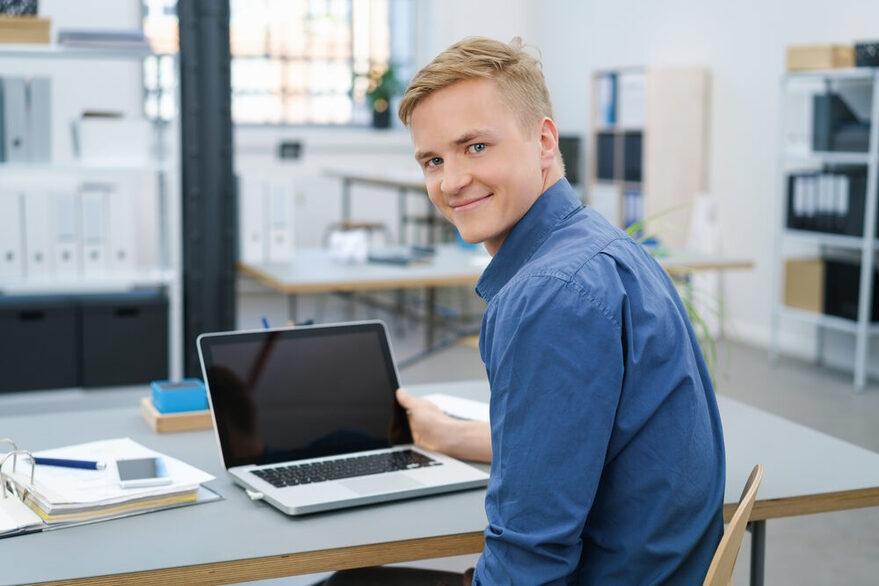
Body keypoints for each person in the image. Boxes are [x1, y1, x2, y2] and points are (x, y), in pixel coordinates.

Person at [324, 36, 725, 585]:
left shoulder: (550, 294)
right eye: (433, 160)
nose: (452, 181)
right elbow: (586, 439)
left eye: (476, 147)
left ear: (543, 140)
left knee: (349, 580)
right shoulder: (600, 247)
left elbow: (532, 554)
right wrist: (450, 436)